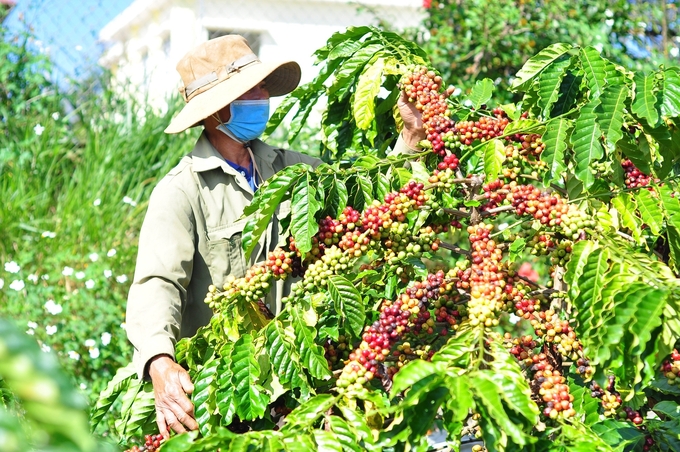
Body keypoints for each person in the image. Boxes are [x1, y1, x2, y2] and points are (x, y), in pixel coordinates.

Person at [124, 34, 426, 439]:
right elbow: (157, 283)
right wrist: (159, 361)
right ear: (218, 110)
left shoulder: (292, 169)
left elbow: (371, 204)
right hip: (226, 386)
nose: (265, 96)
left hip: (302, 374)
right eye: (254, 89)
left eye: (263, 87)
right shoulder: (181, 192)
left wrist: (412, 138)